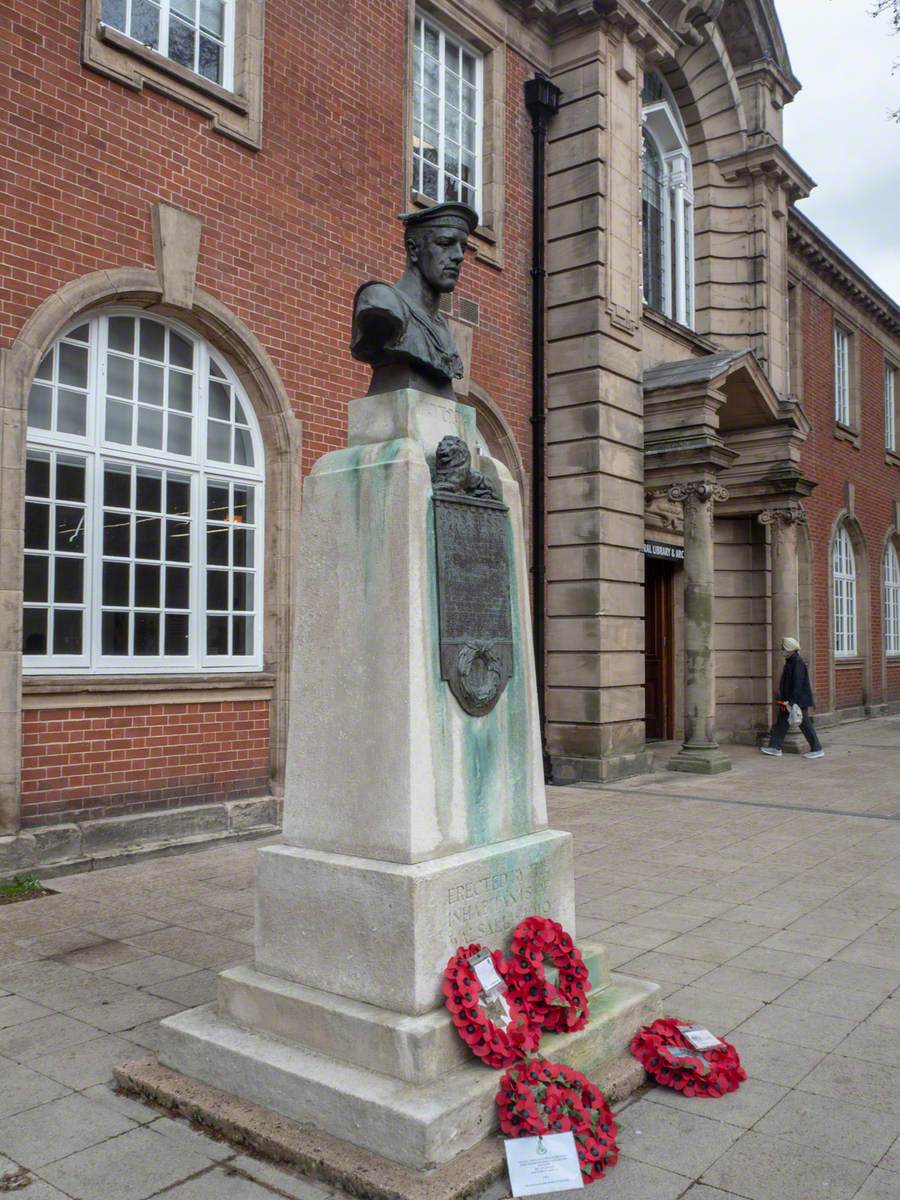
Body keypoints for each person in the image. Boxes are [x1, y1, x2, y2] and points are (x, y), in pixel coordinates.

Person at [350, 201, 480, 399]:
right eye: (445, 244)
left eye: (462, 247)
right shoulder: (382, 301)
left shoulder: (442, 328)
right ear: (413, 250)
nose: (459, 256)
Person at [760, 636, 824, 759]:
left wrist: (792, 701)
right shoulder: (791, 661)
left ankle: (817, 748)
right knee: (781, 723)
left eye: (783, 648)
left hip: (797, 701)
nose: (782, 650)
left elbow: (797, 683)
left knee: (804, 724)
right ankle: (775, 747)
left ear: (790, 649)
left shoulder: (797, 662)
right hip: (790, 700)